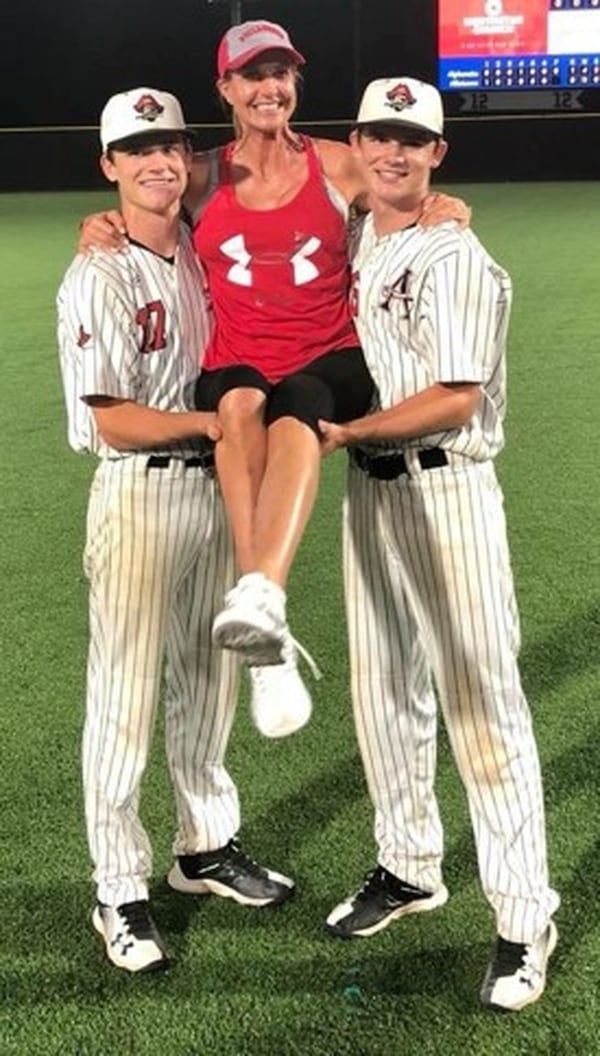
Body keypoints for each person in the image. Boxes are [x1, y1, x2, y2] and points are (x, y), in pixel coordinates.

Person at [78, 21, 470, 740]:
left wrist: (442, 206)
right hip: (238, 357)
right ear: (225, 88)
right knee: (237, 405)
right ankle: (267, 640)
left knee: (298, 406)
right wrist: (97, 224)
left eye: (281, 74)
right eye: (253, 76)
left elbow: (400, 194)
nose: (270, 88)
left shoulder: (336, 165)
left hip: (330, 355)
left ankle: (259, 592)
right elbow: (143, 204)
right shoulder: (201, 173)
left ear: (295, 83)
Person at [318, 77, 559, 1012]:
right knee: (382, 693)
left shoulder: (454, 253)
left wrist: (340, 435)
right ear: (357, 145)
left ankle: (523, 916)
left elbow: (456, 397)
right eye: (380, 136)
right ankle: (410, 866)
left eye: (412, 141)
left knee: (482, 709)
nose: (394, 152)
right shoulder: (358, 228)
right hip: (372, 498)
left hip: (445, 488)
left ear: (437, 155)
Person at [57, 87, 295, 975]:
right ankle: (118, 889)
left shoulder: (202, 250)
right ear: (110, 165)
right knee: (123, 698)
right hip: (141, 492)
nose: (161, 161)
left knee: (209, 680)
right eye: (139, 149)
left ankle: (204, 848)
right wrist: (212, 428)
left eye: (173, 147)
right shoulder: (99, 271)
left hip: (214, 494)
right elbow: (108, 420)